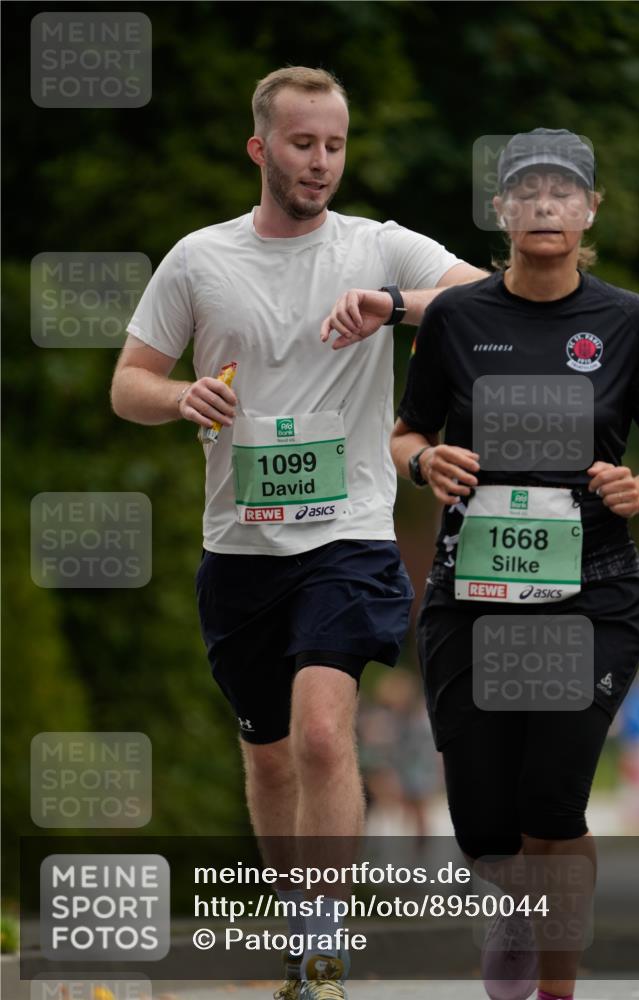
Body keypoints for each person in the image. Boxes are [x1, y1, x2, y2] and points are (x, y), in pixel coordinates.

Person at [110, 66, 485, 1000]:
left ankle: (324, 946)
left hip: (347, 535)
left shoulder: (377, 245)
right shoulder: (199, 258)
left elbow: (491, 300)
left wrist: (392, 305)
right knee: (270, 756)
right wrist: (178, 395)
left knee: (322, 735)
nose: (320, 162)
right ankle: (297, 929)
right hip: (238, 547)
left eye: (334, 145)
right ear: (260, 148)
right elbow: (128, 383)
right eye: (302, 143)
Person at [386, 130, 639, 1000]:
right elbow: (406, 432)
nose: (545, 205)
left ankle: (554, 990)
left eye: (563, 191)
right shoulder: (455, 318)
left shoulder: (628, 322)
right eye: (527, 192)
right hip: (471, 592)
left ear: (590, 210)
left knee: (552, 801)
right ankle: (508, 902)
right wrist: (422, 462)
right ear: (499, 211)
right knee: (484, 825)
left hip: (593, 592)